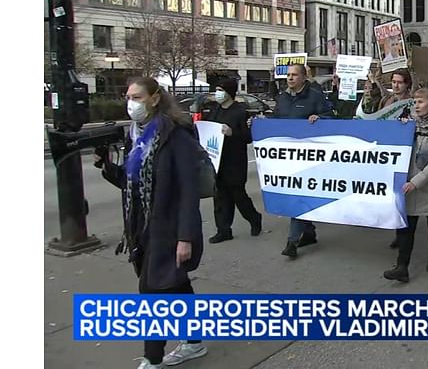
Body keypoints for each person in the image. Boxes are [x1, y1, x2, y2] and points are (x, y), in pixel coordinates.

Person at [95, 77, 206, 369]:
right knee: (177, 285)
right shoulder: (136, 135)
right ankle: (194, 341)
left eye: (137, 97)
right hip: (141, 227)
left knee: (152, 293)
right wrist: (108, 167)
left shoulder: (176, 136)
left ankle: (152, 358)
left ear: (155, 99)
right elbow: (133, 183)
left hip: (167, 230)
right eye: (128, 96)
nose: (131, 103)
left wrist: (186, 237)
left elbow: (188, 190)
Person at [383, 88, 428, 282]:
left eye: (421, 102)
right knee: (406, 226)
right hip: (408, 184)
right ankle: (402, 267)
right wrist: (401, 127)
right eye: (414, 102)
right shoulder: (408, 123)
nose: (416, 105)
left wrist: (416, 182)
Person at [274, 64, 333, 258]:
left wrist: (320, 118)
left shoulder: (315, 96)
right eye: (288, 75)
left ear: (303, 77)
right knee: (295, 194)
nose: (290, 78)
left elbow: (331, 117)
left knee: (296, 195)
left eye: (294, 75)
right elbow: (275, 120)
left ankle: (292, 242)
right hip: (286, 156)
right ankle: (308, 231)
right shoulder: (282, 98)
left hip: (308, 157)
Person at [204, 79, 263, 244]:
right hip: (217, 160)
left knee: (238, 195)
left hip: (235, 161)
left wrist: (232, 133)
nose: (217, 93)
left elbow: (247, 137)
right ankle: (223, 230)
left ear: (229, 92)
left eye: (220, 90)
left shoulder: (240, 112)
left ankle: (254, 218)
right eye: (216, 90)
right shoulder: (215, 111)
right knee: (220, 197)